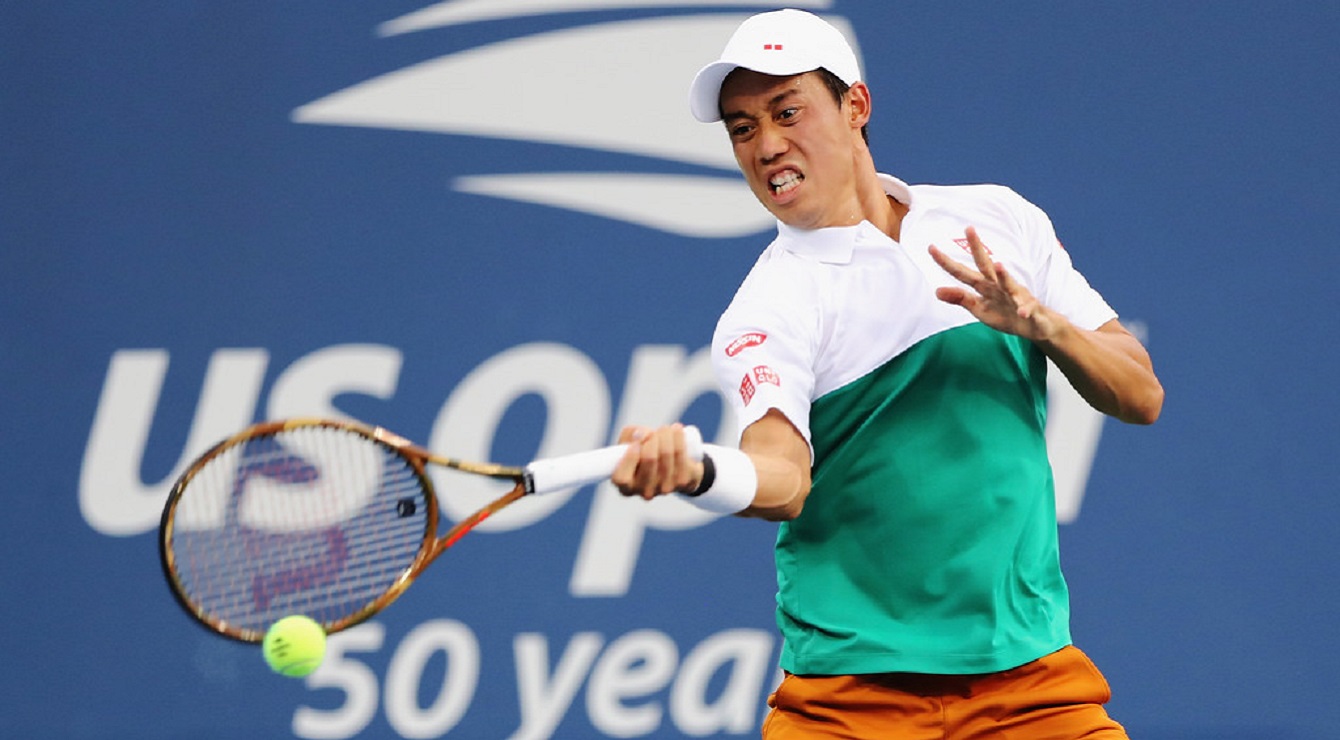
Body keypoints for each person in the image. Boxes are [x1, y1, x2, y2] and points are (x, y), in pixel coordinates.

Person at [611, 8, 1163, 739]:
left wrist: (1045, 326)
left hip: (1030, 685)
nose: (767, 145)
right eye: (743, 128)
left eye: (787, 112)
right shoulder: (768, 307)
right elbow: (782, 476)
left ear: (856, 106)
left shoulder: (995, 221)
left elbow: (1140, 393)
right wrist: (697, 471)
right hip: (849, 703)